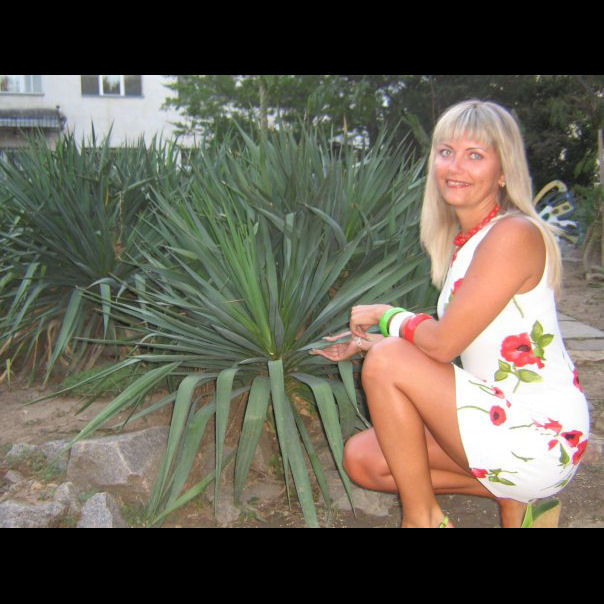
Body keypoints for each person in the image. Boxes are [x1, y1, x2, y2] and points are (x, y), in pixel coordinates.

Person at [310, 99, 590, 528]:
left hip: (542, 435)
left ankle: (422, 520)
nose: (455, 166)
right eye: (446, 152)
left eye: (475, 155)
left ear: (503, 170)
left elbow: (442, 345)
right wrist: (373, 342)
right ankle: (521, 500)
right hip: (500, 417)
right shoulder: (471, 240)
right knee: (366, 460)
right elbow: (470, 337)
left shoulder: (513, 233)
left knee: (388, 359)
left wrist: (387, 317)